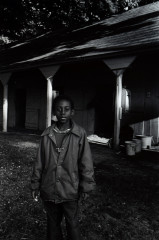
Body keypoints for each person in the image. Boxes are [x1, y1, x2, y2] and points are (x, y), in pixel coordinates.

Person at [31, 95, 96, 240]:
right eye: (59, 109)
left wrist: (86, 186)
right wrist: (35, 184)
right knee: (52, 225)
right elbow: (39, 163)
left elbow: (86, 162)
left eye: (66, 109)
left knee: (72, 224)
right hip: (49, 188)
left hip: (70, 190)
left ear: (72, 112)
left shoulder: (79, 134)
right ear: (54, 111)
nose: (62, 113)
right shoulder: (46, 135)